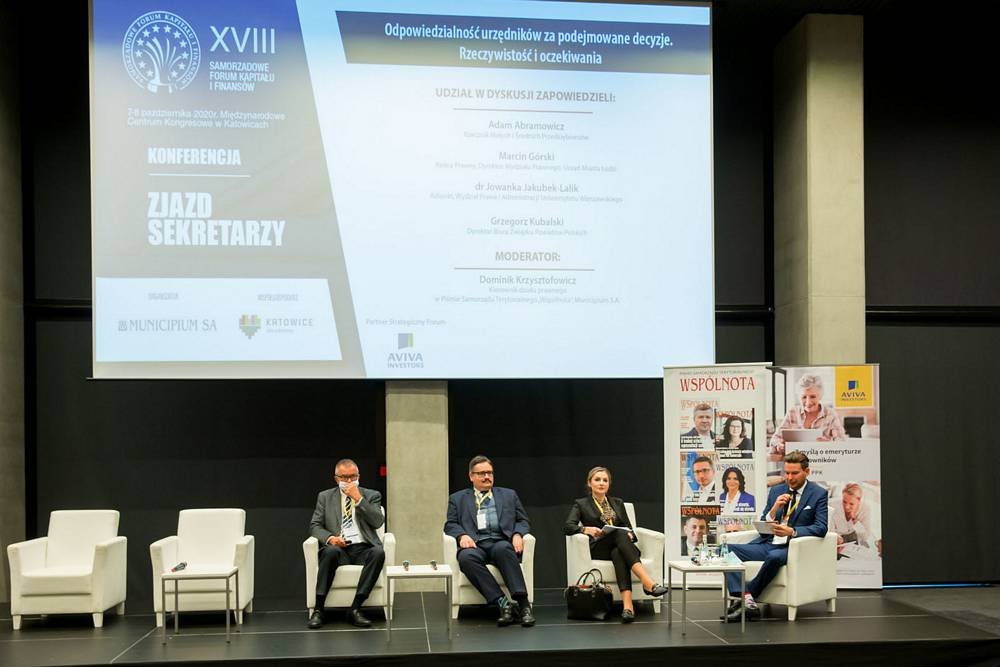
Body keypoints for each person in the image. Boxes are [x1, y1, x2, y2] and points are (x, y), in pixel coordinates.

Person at [723, 452, 828, 621]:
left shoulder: (818, 493)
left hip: (792, 547)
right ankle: (747, 599)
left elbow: (821, 527)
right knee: (725, 550)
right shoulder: (776, 490)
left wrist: (792, 531)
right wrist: (774, 510)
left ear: (807, 471)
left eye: (795, 473)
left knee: (774, 557)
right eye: (787, 473)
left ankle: (747, 600)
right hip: (768, 542)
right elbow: (764, 523)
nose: (790, 478)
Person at [563, 466, 667, 623]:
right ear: (589, 483)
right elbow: (568, 527)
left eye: (605, 480)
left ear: (609, 484)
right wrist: (585, 529)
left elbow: (629, 528)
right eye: (597, 480)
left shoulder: (617, 503)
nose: (601, 483)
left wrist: (630, 534)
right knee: (619, 534)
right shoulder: (581, 504)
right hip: (599, 548)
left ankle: (628, 607)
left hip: (621, 547)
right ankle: (647, 582)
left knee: (618, 551)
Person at [445, 455, 535, 627]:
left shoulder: (509, 495)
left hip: (499, 541)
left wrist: (517, 534)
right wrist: (462, 535)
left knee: (504, 549)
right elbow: (450, 524)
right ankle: (503, 604)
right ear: (471, 476)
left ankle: (524, 606)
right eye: (481, 474)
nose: (487, 477)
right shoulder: (457, 498)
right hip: (475, 544)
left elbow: (523, 520)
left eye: (489, 473)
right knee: (466, 558)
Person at [308, 459, 386, 628]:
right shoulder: (325, 497)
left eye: (353, 476)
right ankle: (319, 609)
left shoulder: (372, 495)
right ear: (336, 479)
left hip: (363, 548)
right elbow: (315, 526)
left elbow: (378, 521)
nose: (349, 481)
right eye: (344, 477)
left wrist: (358, 499)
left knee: (379, 552)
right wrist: (331, 538)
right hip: (339, 549)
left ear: (359, 476)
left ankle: (355, 608)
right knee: (330, 552)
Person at [769, 374, 846, 454]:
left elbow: (842, 442)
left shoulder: (830, 414)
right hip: (797, 460)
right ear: (799, 397)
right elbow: (774, 439)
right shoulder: (792, 413)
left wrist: (829, 444)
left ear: (820, 396)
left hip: (823, 460)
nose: (808, 402)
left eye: (813, 396)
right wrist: (779, 445)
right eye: (804, 397)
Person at [829, 483, 875, 557]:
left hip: (853, 536)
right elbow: (829, 528)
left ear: (859, 501)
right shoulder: (831, 505)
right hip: (836, 536)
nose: (847, 507)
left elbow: (865, 536)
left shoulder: (865, 509)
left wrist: (854, 520)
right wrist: (836, 537)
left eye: (851, 504)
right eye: (844, 501)